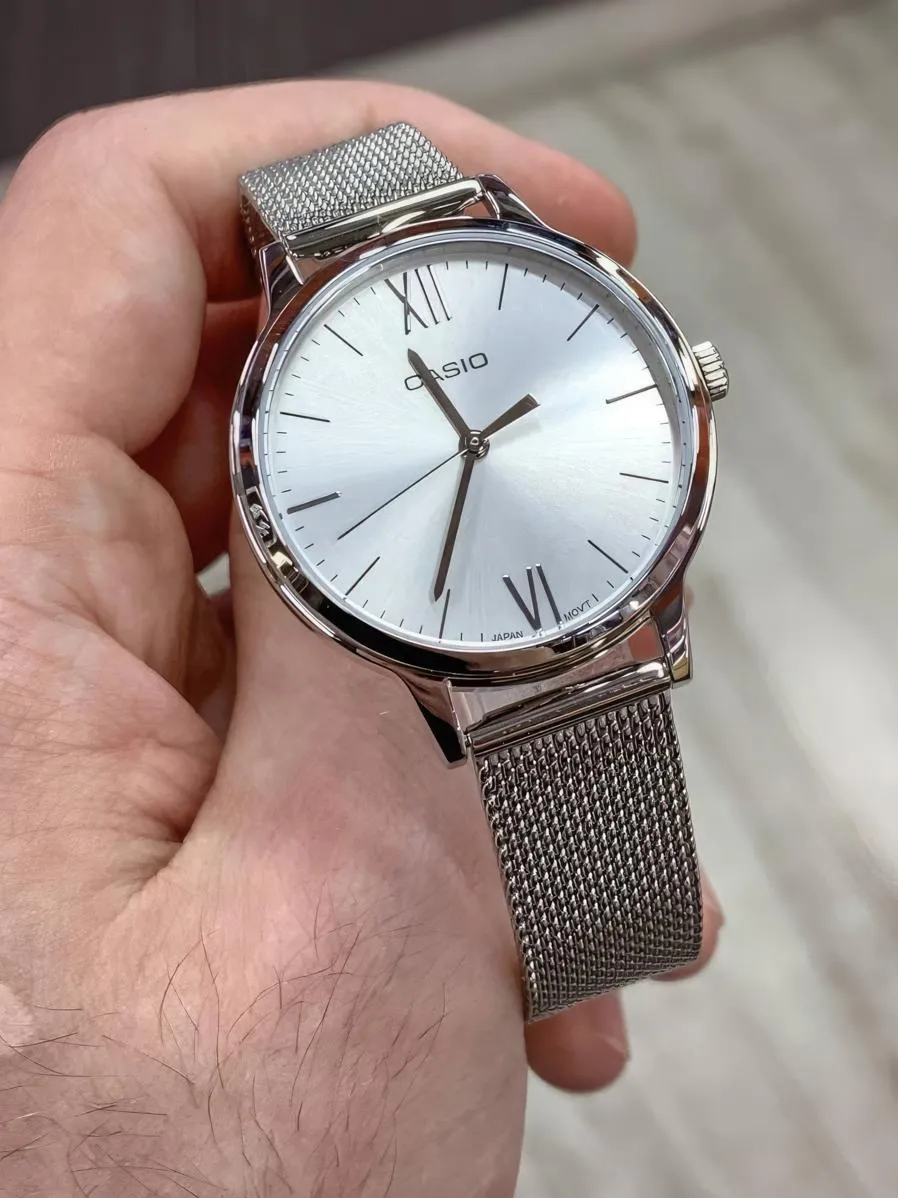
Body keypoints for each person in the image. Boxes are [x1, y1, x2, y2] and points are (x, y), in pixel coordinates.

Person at [0, 81, 723, 1196]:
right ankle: (614, 928)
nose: (476, 443)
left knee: (608, 916)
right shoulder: (282, 454)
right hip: (485, 650)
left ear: (686, 381)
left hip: (619, 587)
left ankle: (617, 927)